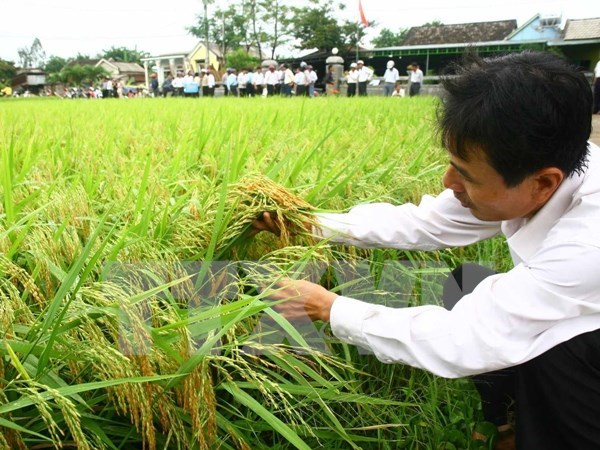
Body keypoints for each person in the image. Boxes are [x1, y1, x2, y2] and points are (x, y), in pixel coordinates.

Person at [252, 51, 599, 450]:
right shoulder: (550, 167)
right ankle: (506, 422)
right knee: (468, 284)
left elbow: (467, 337)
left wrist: (329, 309)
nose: (447, 181)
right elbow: (426, 222)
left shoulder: (588, 243)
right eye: (451, 163)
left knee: (560, 348)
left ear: (542, 184)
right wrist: (308, 222)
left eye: (465, 174)